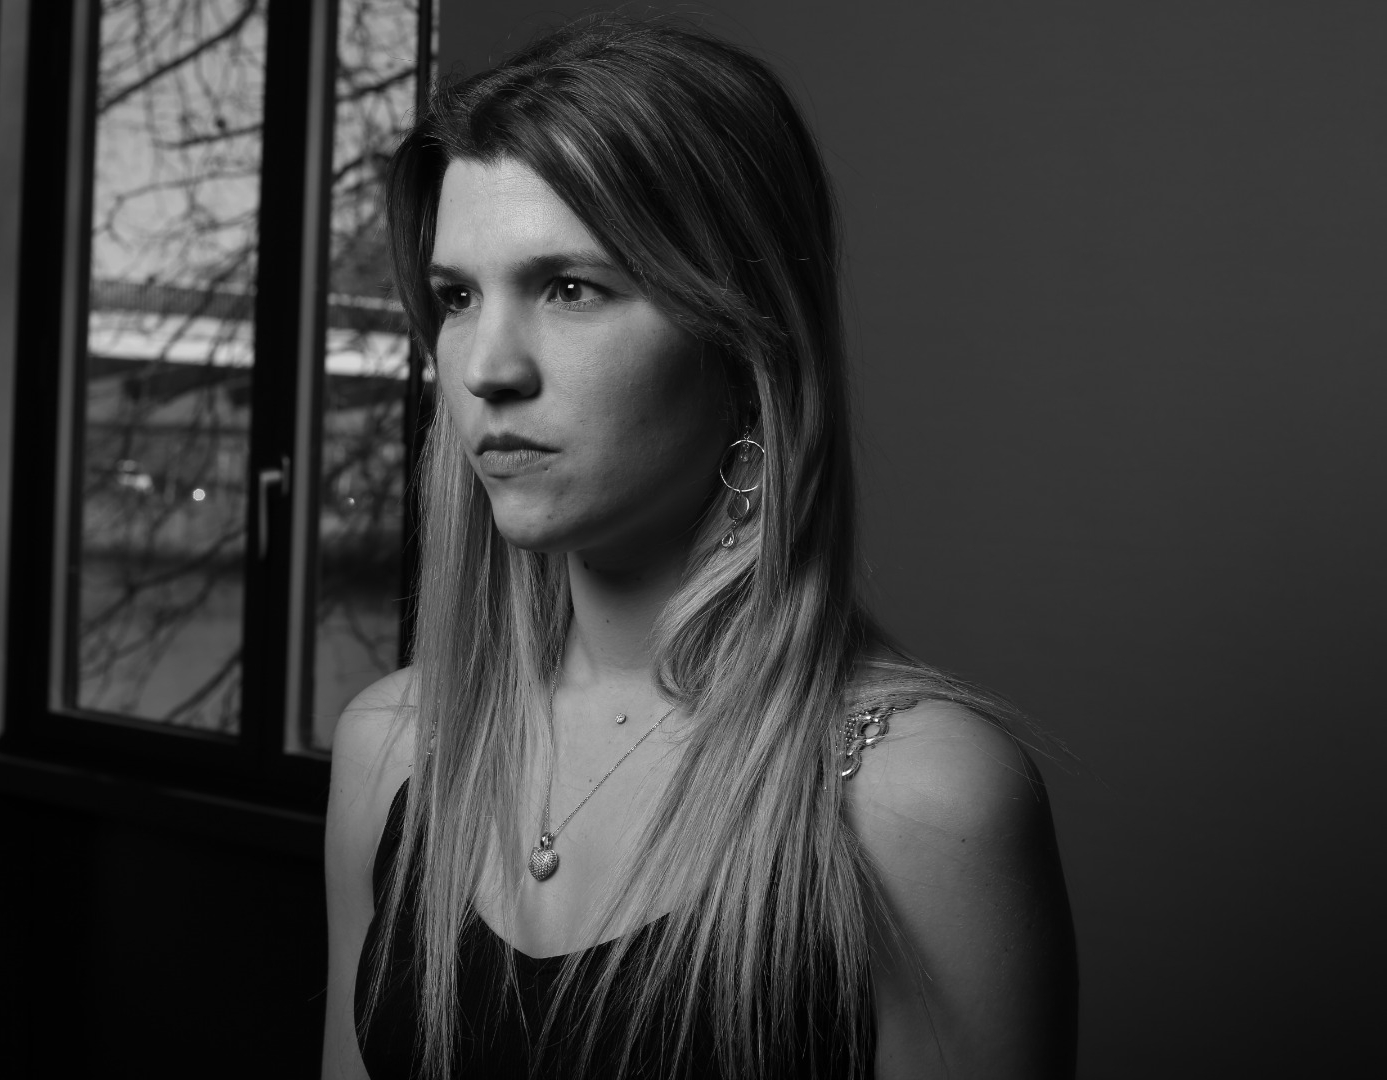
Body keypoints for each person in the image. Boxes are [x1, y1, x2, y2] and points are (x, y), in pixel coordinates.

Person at [322, 15, 1077, 1079]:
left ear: (742, 338)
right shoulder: (393, 748)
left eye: (571, 288)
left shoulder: (918, 803)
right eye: (457, 297)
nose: (486, 367)